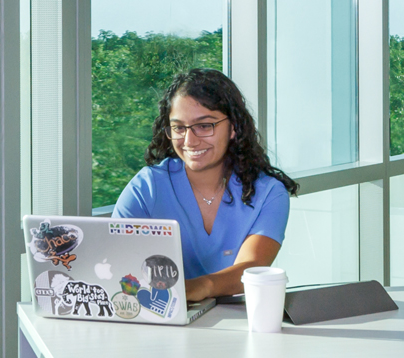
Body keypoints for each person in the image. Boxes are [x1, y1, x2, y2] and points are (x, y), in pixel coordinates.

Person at [112, 68, 299, 302]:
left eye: (204, 125)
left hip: (240, 323)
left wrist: (197, 288)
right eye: (179, 127)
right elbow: (116, 260)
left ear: (233, 128)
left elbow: (252, 268)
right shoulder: (146, 188)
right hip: (160, 318)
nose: (190, 141)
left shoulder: (270, 193)